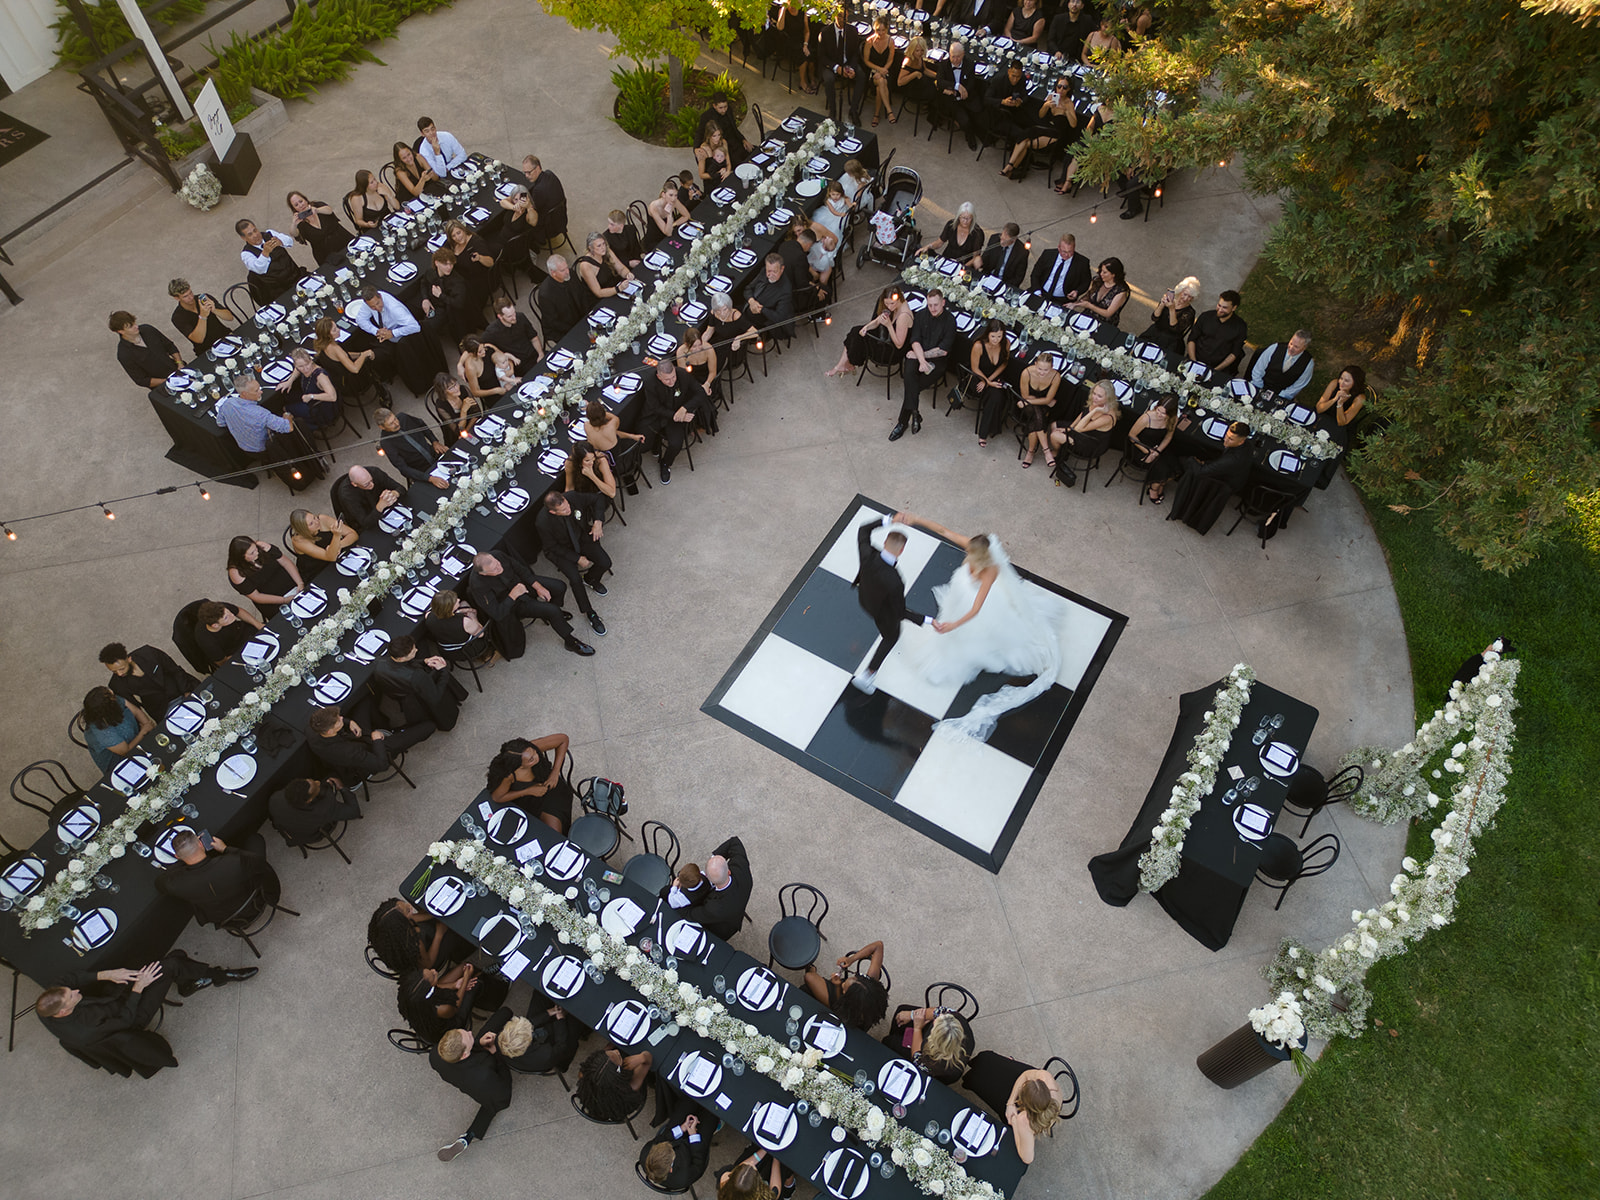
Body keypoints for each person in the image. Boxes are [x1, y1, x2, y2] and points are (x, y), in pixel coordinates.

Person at [888, 512, 1065, 741]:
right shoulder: (972, 547)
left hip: (978, 607)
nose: (966, 552)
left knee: (977, 636)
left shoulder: (991, 570)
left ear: (980, 556)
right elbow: (943, 530)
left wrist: (954, 625)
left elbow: (976, 609)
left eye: (971, 553)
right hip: (962, 598)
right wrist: (916, 520)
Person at [34, 952, 257, 1077]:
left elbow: (70, 980)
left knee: (170, 959)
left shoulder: (48, 1004)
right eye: (72, 996)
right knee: (172, 964)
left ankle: (190, 983)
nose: (75, 992)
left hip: (109, 1003)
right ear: (64, 1011)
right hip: (129, 1017)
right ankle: (220, 976)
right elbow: (126, 1020)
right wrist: (139, 987)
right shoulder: (86, 1028)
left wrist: (107, 974)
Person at [849, 512, 935, 694]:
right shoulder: (895, 581)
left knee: (888, 629)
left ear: (886, 542)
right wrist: (926, 619)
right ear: (902, 550)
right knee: (891, 637)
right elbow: (899, 612)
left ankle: (869, 673)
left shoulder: (868, 554)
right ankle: (868, 674)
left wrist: (889, 520)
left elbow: (864, 529)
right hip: (883, 613)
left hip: (864, 600)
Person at [467, 550, 594, 658]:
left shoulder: (497, 555)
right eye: (494, 569)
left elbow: (521, 570)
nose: (499, 567)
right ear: (483, 573)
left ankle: (553, 615)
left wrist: (538, 587)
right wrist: (513, 595)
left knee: (559, 586)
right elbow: (497, 613)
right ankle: (570, 642)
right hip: (512, 605)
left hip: (521, 585)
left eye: (498, 563)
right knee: (553, 611)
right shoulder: (478, 585)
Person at [432, 1006, 515, 1162]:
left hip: (466, 1081)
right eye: (468, 1036)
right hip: (495, 1092)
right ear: (464, 1054)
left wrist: (477, 1043)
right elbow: (504, 1093)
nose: (471, 1032)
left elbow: (469, 1052)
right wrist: (496, 1053)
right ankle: (469, 1135)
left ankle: (468, 1137)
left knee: (488, 1105)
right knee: (494, 1103)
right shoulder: (484, 1069)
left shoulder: (435, 1055)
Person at [155, 829, 280, 927]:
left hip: (223, 917)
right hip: (255, 901)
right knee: (255, 839)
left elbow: (159, 883)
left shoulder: (176, 883)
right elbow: (258, 861)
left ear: (176, 856)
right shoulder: (233, 862)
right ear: (200, 844)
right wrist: (226, 849)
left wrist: (183, 860)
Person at [536, 490, 612, 638]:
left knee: (605, 562)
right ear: (553, 512)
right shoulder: (542, 522)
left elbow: (597, 499)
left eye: (567, 505)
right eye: (564, 510)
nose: (569, 509)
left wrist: (598, 521)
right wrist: (577, 559)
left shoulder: (572, 497)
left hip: (580, 537)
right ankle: (590, 613)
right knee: (575, 580)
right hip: (561, 551)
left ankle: (590, 579)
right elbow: (552, 547)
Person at [963, 1052, 1063, 1163]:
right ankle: (976, 1063)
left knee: (983, 1083)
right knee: (988, 1059)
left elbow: (1027, 1159)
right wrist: (1010, 1103)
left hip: (1025, 1118)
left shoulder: (1025, 1120)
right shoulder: (1045, 1077)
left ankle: (969, 1080)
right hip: (1034, 1105)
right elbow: (1025, 1075)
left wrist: (1015, 1123)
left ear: (1024, 1102)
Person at [891, 289, 956, 441]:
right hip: (918, 355)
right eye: (930, 305)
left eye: (936, 305)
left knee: (913, 386)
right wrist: (920, 360)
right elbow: (915, 340)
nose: (932, 308)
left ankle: (902, 422)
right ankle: (914, 414)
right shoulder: (921, 315)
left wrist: (921, 358)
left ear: (943, 303)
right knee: (910, 377)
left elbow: (943, 351)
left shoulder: (950, 321)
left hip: (936, 362)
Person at [374, 635, 468, 737]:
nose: (417, 650)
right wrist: (444, 670)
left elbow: (403, 665)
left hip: (401, 692)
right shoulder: (417, 676)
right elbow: (435, 697)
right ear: (401, 658)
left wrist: (424, 661)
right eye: (413, 651)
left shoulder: (379, 663)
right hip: (418, 696)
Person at [349, 285, 437, 394]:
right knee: (362, 344)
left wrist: (392, 333)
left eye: (378, 304)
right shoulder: (369, 302)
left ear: (380, 296)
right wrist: (377, 331)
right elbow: (360, 319)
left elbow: (415, 327)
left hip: (405, 337)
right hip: (385, 332)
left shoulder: (394, 309)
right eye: (372, 307)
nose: (376, 308)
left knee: (378, 353)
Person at [640, 356, 711, 485]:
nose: (672, 381)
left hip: (677, 412)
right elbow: (655, 407)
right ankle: (655, 445)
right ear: (659, 377)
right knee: (643, 440)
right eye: (667, 379)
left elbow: (700, 393)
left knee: (676, 443)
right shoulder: (650, 382)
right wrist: (676, 415)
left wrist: (684, 408)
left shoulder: (682, 374)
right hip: (657, 414)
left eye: (673, 377)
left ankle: (665, 463)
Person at [307, 704, 424, 778]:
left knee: (363, 703)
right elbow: (382, 765)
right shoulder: (348, 752)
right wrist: (377, 739)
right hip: (369, 752)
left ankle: (385, 724)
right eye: (338, 720)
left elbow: (340, 722)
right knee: (428, 727)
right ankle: (389, 733)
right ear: (329, 731)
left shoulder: (312, 728)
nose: (341, 717)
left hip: (354, 738)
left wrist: (349, 722)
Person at [486, 733, 573, 831]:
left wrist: (555, 772)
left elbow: (563, 739)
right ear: (519, 766)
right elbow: (498, 797)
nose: (537, 756)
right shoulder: (509, 774)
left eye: (534, 752)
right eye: (531, 759)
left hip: (551, 788)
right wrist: (528, 791)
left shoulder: (530, 748)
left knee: (555, 830)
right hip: (528, 800)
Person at [1000, 76, 1078, 180]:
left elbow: (1073, 125)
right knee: (1025, 136)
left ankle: (1012, 167)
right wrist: (1046, 105)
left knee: (1027, 142)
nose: (1061, 90)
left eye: (1064, 87)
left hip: (1055, 135)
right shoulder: (1051, 97)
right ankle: (1010, 166)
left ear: (1068, 89)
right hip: (1044, 129)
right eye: (1059, 86)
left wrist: (1066, 112)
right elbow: (1041, 115)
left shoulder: (1069, 104)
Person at [826, 286, 911, 378]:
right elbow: (878, 320)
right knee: (856, 331)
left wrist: (889, 325)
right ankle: (842, 365)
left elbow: (899, 345)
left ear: (899, 299)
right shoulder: (896, 305)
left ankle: (848, 364)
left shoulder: (903, 317)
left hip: (891, 352)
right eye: (887, 303)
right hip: (887, 337)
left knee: (859, 340)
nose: (889, 307)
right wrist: (866, 327)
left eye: (892, 303)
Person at [803, 941, 888, 1031]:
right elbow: (878, 946)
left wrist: (837, 987)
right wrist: (851, 959)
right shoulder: (871, 981)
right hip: (854, 1007)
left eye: (844, 988)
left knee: (809, 978)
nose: (842, 983)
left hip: (844, 1011)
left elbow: (836, 1008)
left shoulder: (853, 1012)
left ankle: (812, 970)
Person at [679, 837, 752, 938]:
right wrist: (715, 859)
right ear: (728, 871)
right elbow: (734, 842)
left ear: (709, 879)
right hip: (738, 904)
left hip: (722, 928)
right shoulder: (741, 868)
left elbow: (690, 914)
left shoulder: (714, 908)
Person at [884, 1004, 974, 1084]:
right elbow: (938, 1011)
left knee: (890, 1041)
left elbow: (917, 1058)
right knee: (902, 1009)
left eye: (936, 1025)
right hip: (929, 1039)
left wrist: (917, 1028)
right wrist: (911, 1015)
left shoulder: (936, 1064)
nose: (936, 1018)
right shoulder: (955, 1018)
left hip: (930, 1068)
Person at [98, 642, 196, 716]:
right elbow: (135, 708)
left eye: (121, 669)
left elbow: (175, 670)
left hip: (183, 687)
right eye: (114, 672)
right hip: (162, 708)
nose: (119, 674)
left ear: (129, 659)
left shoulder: (149, 653)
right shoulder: (116, 685)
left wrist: (187, 692)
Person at [1048, 377, 1118, 478]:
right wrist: (1068, 429)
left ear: (1108, 398)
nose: (1094, 397)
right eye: (1094, 393)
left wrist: (1094, 411)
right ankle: (1064, 448)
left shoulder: (1107, 417)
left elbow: (1078, 429)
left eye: (1099, 396)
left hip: (1090, 443)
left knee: (1054, 436)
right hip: (1083, 430)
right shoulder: (1097, 403)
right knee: (1054, 425)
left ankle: (1057, 452)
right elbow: (1082, 414)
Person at [369, 896, 457, 974]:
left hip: (411, 949)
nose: (410, 907)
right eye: (408, 911)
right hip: (428, 961)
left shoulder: (391, 929)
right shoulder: (412, 940)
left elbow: (413, 918)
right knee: (453, 933)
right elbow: (428, 964)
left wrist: (435, 913)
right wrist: (439, 934)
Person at [267, 775, 363, 848]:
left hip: (292, 833)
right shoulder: (325, 808)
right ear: (309, 800)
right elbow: (354, 812)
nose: (318, 782)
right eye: (316, 786)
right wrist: (342, 788)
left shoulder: (275, 798)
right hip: (313, 835)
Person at [215, 375, 294, 460]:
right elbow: (288, 428)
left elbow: (220, 423)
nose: (261, 392)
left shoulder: (228, 403)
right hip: (265, 449)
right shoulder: (261, 414)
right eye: (256, 391)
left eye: (259, 388)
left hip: (245, 448)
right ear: (244, 394)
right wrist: (287, 416)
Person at [227, 534, 303, 621]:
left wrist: (300, 583)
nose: (257, 553)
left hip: (292, 584)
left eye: (255, 548)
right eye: (252, 553)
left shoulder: (262, 547)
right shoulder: (236, 573)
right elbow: (256, 596)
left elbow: (285, 562)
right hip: (273, 601)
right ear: (241, 557)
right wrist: (284, 600)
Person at [80, 686, 153, 774]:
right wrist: (143, 732)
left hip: (137, 739)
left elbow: (136, 711)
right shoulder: (102, 733)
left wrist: (147, 724)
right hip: (122, 763)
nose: (112, 691)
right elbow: (126, 751)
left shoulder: (112, 699)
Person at [111, 310, 182, 399]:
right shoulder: (124, 354)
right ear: (120, 331)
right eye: (130, 326)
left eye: (134, 323)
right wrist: (168, 381)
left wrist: (180, 363)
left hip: (178, 370)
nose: (136, 326)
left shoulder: (148, 329)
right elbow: (141, 380)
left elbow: (169, 345)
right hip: (164, 388)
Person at [314, 316, 385, 404]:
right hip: (351, 383)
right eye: (335, 330)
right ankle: (383, 393)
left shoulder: (322, 345)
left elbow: (345, 356)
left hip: (337, 379)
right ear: (328, 335)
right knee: (375, 357)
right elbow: (354, 369)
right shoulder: (335, 348)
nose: (339, 330)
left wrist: (359, 354)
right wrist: (364, 354)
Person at [641, 1109, 713, 1192]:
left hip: (676, 1137)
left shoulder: (646, 1152)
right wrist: (693, 1135)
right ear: (670, 1169)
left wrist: (682, 1128)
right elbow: (699, 1162)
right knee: (711, 1117)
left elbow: (662, 1138)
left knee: (686, 1106)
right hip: (694, 1150)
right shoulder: (684, 1177)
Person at [374, 407, 448, 486]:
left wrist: (434, 442)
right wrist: (429, 478)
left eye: (395, 419)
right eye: (391, 423)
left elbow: (422, 425)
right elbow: (403, 469)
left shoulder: (404, 417)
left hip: (434, 452)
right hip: (421, 471)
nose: (396, 423)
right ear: (382, 427)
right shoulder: (386, 443)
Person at [576, 1046, 653, 1121]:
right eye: (619, 1057)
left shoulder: (583, 1074)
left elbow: (603, 1056)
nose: (617, 1051)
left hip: (600, 1102)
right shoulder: (631, 1086)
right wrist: (641, 1057)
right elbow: (648, 1059)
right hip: (619, 1103)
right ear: (617, 1076)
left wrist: (610, 1049)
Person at [1014, 353, 1063, 467]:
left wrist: (1031, 401)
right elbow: (1025, 396)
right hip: (1028, 408)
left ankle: (1030, 452)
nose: (1042, 372)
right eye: (1039, 368)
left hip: (1036, 406)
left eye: (1046, 370)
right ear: (1035, 364)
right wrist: (1045, 400)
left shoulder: (1055, 377)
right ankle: (1046, 450)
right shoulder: (1027, 373)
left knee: (1035, 419)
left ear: (1052, 367)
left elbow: (1046, 400)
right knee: (1036, 414)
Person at [1129, 395, 1181, 503]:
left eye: (1163, 413)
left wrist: (1157, 452)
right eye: (1158, 411)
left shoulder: (1173, 419)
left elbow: (1168, 437)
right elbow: (1132, 435)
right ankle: (1154, 488)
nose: (1159, 415)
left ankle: (1160, 483)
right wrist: (1148, 452)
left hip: (1159, 447)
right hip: (1141, 447)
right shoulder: (1146, 418)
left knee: (1176, 466)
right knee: (1163, 469)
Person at [274, 347, 341, 431]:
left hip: (322, 409)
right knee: (287, 396)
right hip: (308, 397)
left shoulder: (320, 376)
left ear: (311, 361)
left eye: (307, 364)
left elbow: (332, 396)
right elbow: (297, 370)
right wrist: (289, 381)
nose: (305, 369)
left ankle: (309, 428)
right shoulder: (300, 368)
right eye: (301, 366)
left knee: (286, 408)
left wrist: (311, 396)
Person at [1185, 290, 1249, 378]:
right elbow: (1192, 339)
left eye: (1225, 308)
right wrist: (1194, 361)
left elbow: (1234, 353)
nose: (1220, 309)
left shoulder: (1240, 327)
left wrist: (1214, 370)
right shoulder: (1205, 317)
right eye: (1219, 305)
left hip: (1219, 367)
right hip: (1196, 359)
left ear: (1234, 308)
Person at [236, 218, 302, 303]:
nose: (255, 235)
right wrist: (265, 253)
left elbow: (290, 242)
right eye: (250, 234)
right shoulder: (246, 254)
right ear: (244, 238)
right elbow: (259, 269)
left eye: (255, 230)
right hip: (279, 291)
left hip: (296, 276)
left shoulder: (270, 234)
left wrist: (281, 242)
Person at [933, 42, 983, 151]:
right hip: (950, 101)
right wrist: (956, 86)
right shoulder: (943, 64)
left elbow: (971, 84)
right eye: (953, 56)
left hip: (966, 96)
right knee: (965, 120)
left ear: (963, 54)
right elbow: (940, 82)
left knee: (979, 111)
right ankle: (970, 138)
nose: (955, 60)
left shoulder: (969, 64)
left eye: (958, 56)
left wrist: (958, 92)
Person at [970, 319, 1013, 446]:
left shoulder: (1006, 343)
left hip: (995, 376)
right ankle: (986, 432)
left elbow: (1004, 363)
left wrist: (990, 380)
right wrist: (986, 381)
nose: (996, 340)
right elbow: (975, 368)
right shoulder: (979, 345)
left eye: (999, 336)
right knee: (995, 397)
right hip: (979, 377)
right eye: (993, 336)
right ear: (988, 334)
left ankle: (985, 431)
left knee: (997, 396)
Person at [817, 6, 863, 122]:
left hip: (847, 62)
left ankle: (853, 110)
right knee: (829, 79)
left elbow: (855, 54)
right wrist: (836, 68)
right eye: (841, 16)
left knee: (861, 75)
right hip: (831, 63)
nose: (843, 20)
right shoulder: (826, 32)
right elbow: (821, 56)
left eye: (845, 17)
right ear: (835, 16)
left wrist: (851, 67)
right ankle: (833, 111)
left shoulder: (852, 31)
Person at [1139, 277, 1200, 363]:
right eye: (1184, 294)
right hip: (1155, 333)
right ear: (1180, 291)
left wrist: (1172, 309)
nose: (1186, 298)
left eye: (1190, 297)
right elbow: (1154, 318)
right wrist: (1162, 304)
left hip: (1171, 342)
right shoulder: (1170, 299)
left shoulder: (1189, 312)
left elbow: (1174, 328)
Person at [420, 249, 475, 343]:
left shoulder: (457, 282)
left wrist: (440, 295)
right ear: (437, 263)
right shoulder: (430, 272)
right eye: (445, 264)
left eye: (451, 264)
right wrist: (425, 299)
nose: (449, 267)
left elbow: (459, 303)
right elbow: (423, 283)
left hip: (447, 309)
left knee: (428, 328)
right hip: (431, 301)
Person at [167, 280, 235, 355]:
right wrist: (203, 316)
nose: (191, 297)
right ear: (177, 298)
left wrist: (214, 310)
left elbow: (230, 317)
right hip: (206, 350)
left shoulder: (204, 298)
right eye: (185, 296)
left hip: (225, 336)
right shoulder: (177, 317)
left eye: (190, 293)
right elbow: (198, 339)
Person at [331, 463, 404, 532]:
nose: (372, 485)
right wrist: (379, 507)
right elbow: (365, 524)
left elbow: (401, 488)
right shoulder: (347, 495)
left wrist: (394, 494)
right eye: (366, 484)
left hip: (388, 511)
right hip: (369, 519)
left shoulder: (374, 472)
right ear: (354, 484)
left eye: (371, 480)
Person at [286, 190, 351, 266]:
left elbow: (329, 210)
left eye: (301, 201)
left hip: (342, 239)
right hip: (325, 253)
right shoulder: (300, 223)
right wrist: (294, 224)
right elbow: (294, 233)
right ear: (294, 209)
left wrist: (317, 210)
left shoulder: (317, 205)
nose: (300, 205)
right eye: (296, 205)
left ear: (305, 199)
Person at [192, 600, 264, 669]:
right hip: (235, 650)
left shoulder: (221, 609)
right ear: (215, 625)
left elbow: (238, 611)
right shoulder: (207, 641)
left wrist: (258, 624)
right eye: (226, 618)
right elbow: (222, 662)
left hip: (244, 631)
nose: (232, 615)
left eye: (228, 612)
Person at [536, 255, 590, 343]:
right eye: (562, 270)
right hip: (562, 328)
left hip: (579, 316)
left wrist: (587, 315)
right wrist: (576, 329)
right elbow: (553, 321)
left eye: (566, 268)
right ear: (553, 273)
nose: (567, 272)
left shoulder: (571, 274)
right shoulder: (545, 294)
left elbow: (582, 294)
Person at [677, 326, 723, 425]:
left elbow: (712, 372)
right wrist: (698, 388)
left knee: (700, 395)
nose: (697, 349)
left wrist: (707, 384)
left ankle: (702, 422)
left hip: (708, 379)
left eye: (699, 345)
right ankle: (705, 421)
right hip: (691, 382)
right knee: (698, 396)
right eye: (694, 346)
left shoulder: (708, 349)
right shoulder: (681, 353)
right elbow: (684, 376)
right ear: (687, 344)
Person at [1250, 330, 1316, 399]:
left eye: (1296, 347)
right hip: (1260, 385)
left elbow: (1298, 386)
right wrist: (1259, 387)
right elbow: (1258, 370)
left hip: (1282, 395)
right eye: (1291, 343)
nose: (1291, 348)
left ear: (1304, 347)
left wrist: (1280, 396)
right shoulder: (1275, 348)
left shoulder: (1308, 364)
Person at [482, 297, 542, 371]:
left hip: (534, 355)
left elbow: (534, 338)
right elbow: (478, 345)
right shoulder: (492, 332)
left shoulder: (520, 316)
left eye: (514, 312)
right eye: (510, 316)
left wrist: (540, 353)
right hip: (520, 365)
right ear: (500, 316)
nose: (514, 317)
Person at [523, 155, 570, 248]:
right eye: (524, 172)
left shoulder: (539, 190)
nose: (526, 176)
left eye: (529, 172)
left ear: (538, 168)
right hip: (561, 219)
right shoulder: (550, 174)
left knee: (523, 218)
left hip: (550, 227)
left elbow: (535, 210)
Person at [1315, 363, 1367, 448]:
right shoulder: (1334, 383)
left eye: (1346, 381)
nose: (1341, 383)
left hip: (1339, 427)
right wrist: (1334, 399)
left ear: (1355, 382)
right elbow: (1319, 409)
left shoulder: (1360, 398)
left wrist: (1340, 404)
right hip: (1324, 416)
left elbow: (1341, 422)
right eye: (1341, 378)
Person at [1069, 258, 1130, 328]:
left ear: (1113, 274)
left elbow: (1108, 313)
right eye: (1101, 271)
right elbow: (1088, 296)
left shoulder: (1121, 291)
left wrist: (1089, 306)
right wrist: (1074, 304)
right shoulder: (1097, 280)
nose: (1101, 274)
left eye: (1105, 272)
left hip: (1105, 323)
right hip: (1088, 315)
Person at [1029, 234, 1091, 303]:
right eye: (1064, 251)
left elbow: (1086, 282)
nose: (1067, 255)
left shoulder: (1082, 263)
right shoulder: (1047, 255)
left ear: (1074, 248)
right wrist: (1037, 293)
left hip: (1062, 300)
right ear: (1059, 248)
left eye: (1070, 251)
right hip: (1041, 292)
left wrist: (1077, 291)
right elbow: (1035, 274)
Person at [922, 202, 985, 268]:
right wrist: (928, 246)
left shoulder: (978, 233)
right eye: (963, 218)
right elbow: (939, 242)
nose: (965, 221)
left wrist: (962, 267)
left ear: (973, 218)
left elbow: (975, 257)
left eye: (969, 218)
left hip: (964, 264)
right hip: (947, 260)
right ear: (959, 216)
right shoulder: (951, 225)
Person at [575, 232, 635, 301]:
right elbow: (598, 292)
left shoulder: (606, 251)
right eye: (599, 246)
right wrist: (618, 289)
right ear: (591, 248)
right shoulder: (586, 266)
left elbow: (621, 269)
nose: (603, 247)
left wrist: (627, 274)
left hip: (616, 286)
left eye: (603, 244)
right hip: (602, 297)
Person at [694, 94, 752, 163]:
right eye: (720, 108)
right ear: (714, 106)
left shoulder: (729, 110)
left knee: (752, 154)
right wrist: (696, 148)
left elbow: (734, 128)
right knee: (740, 163)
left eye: (725, 107)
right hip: (721, 146)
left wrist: (743, 140)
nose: (724, 110)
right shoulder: (706, 116)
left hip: (734, 142)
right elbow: (699, 133)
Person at [860, 18, 895, 126]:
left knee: (881, 83)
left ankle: (876, 114)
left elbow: (890, 60)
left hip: (885, 70)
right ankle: (889, 111)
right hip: (872, 71)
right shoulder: (869, 41)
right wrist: (879, 70)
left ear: (887, 30)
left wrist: (883, 70)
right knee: (880, 81)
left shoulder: (890, 41)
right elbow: (866, 61)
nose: (880, 33)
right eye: (877, 30)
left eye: (883, 30)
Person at [431, 372, 483, 444]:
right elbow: (458, 431)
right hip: (455, 436)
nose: (456, 389)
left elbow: (477, 414)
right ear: (444, 392)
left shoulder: (463, 389)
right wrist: (463, 411)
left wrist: (466, 431)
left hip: (472, 424)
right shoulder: (441, 406)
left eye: (455, 384)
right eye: (451, 388)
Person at [646, 179, 693, 248]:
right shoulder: (654, 207)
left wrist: (673, 224)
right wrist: (669, 214)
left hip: (670, 229)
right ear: (663, 194)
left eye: (675, 195)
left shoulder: (674, 201)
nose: (673, 199)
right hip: (656, 238)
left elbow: (687, 216)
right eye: (670, 195)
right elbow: (668, 233)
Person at [979, 224, 1029, 289]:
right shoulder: (994, 239)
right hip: (989, 277)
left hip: (1005, 284)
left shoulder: (1022, 252)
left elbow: (1018, 278)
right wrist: (980, 261)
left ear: (1013, 239)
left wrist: (1003, 287)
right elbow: (985, 260)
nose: (1001, 242)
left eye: (1005, 241)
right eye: (1001, 237)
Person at [896, 35, 938, 111]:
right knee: (937, 89)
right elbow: (900, 82)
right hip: (913, 89)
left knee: (938, 85)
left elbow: (924, 70)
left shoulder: (919, 57)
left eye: (922, 50)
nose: (920, 53)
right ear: (912, 50)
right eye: (917, 51)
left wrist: (937, 76)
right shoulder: (908, 61)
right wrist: (915, 74)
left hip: (920, 83)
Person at [695, 123, 733, 187]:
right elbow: (701, 175)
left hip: (724, 175)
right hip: (711, 181)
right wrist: (718, 174)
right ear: (709, 136)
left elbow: (728, 162)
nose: (717, 138)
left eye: (719, 135)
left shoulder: (723, 142)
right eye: (714, 136)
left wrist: (728, 171)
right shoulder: (703, 150)